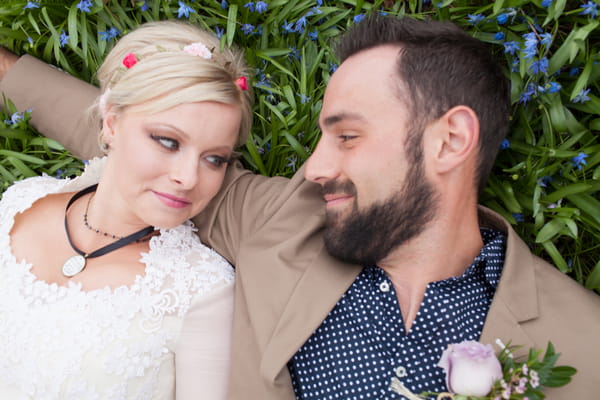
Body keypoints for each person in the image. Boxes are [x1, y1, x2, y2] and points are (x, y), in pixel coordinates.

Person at [2, 14, 599, 400]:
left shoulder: (583, 344)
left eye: (346, 136)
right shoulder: (283, 219)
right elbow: (150, 138)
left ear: (449, 141)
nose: (314, 167)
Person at [0, 20, 253, 399]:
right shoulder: (21, 202)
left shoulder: (203, 291)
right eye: (168, 141)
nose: (188, 177)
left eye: (214, 159)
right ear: (112, 122)